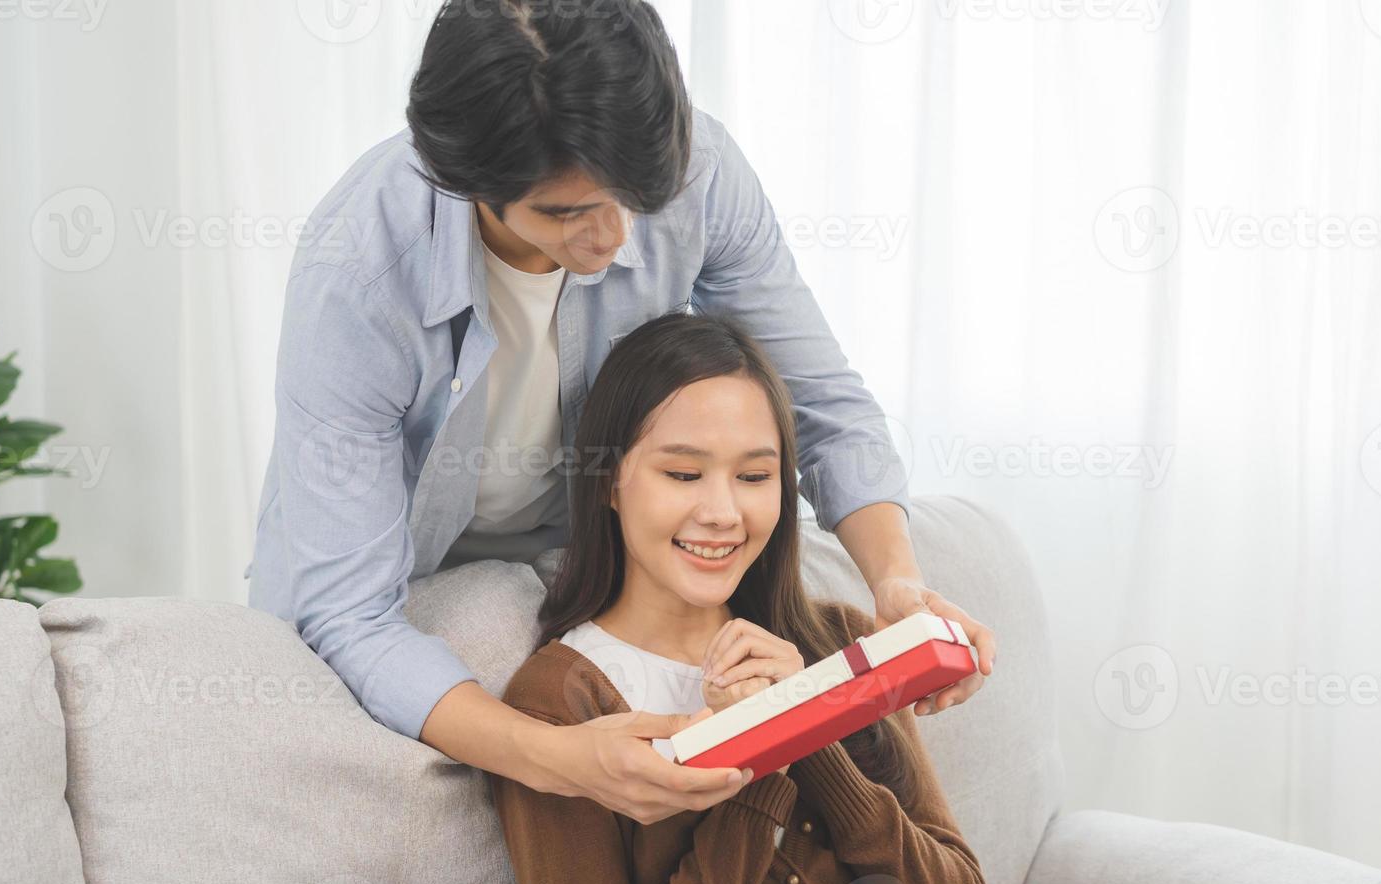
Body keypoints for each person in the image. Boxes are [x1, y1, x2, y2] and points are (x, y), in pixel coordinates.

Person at [246, 0, 996, 824]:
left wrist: (895, 578)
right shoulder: (357, 270)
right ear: (464, 182)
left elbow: (819, 398)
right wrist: (557, 760)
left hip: (576, 555)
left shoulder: (695, 167)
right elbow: (348, 610)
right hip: (396, 577)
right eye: (566, 214)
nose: (612, 238)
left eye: (633, 197)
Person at [489, 312, 990, 884]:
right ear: (609, 479)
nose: (724, 513)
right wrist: (760, 756)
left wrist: (808, 726)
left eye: (754, 477)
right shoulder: (561, 702)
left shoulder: (839, 640)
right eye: (684, 475)